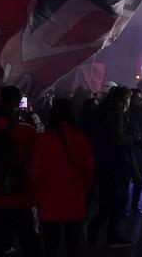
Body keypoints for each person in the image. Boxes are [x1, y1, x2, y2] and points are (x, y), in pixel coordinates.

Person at [0, 86, 40, 257]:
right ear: (17, 102)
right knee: (28, 238)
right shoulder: (25, 130)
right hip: (19, 192)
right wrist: (31, 116)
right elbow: (40, 146)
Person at [31, 98, 95, 257]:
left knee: (51, 244)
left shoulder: (43, 140)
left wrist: (34, 197)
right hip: (74, 197)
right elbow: (88, 171)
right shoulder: (81, 139)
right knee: (73, 244)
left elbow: (35, 171)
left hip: (49, 198)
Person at [86, 86, 135, 249]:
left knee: (109, 201)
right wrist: (133, 138)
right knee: (118, 200)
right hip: (117, 163)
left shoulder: (103, 112)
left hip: (106, 162)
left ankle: (99, 230)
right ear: (123, 100)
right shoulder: (117, 115)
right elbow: (118, 139)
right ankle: (111, 234)